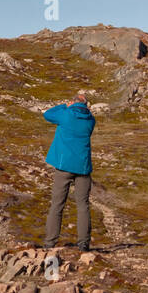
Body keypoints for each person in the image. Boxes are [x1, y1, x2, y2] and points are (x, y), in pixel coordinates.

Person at [42, 91, 96, 251]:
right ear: (86, 105)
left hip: (64, 165)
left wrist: (65, 105)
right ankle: (83, 243)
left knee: (57, 205)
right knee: (83, 205)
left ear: (73, 102)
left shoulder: (65, 114)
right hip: (83, 167)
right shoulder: (91, 120)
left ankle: (50, 242)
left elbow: (48, 114)